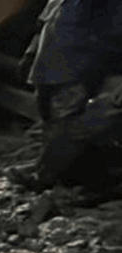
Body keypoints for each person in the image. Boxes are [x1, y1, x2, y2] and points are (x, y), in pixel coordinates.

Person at [15, 0, 122, 189]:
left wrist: (98, 64)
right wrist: (30, 54)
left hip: (75, 66)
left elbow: (113, 30)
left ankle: (47, 176)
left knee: (66, 121)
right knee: (50, 118)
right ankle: (47, 167)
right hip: (47, 64)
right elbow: (45, 20)